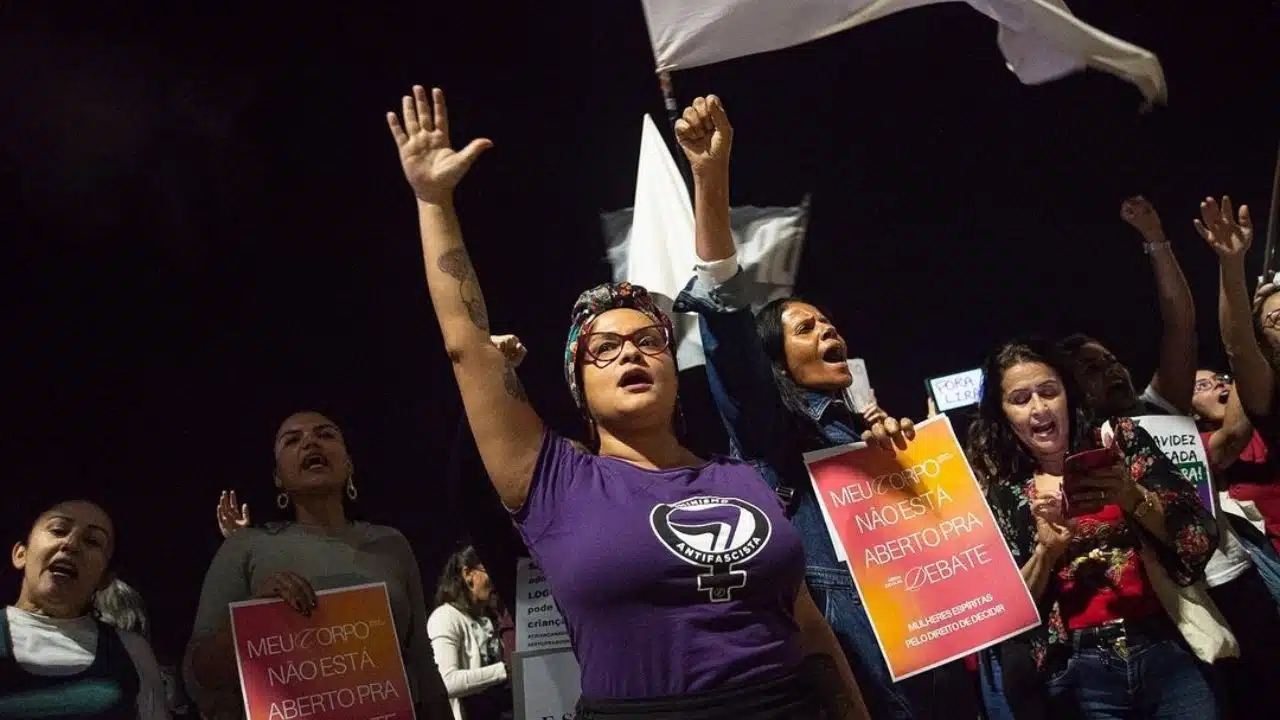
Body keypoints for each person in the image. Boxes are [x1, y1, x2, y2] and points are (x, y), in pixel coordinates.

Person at [386, 84, 866, 719]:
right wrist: (433, 202)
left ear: (673, 367)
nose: (631, 355)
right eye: (603, 350)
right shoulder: (552, 480)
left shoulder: (740, 476)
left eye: (647, 342)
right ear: (577, 386)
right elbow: (466, 346)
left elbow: (807, 628)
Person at [668, 96, 946, 720]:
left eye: (827, 322)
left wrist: (907, 460)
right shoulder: (773, 436)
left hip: (943, 661)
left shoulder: (864, 429)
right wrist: (711, 181)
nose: (826, 330)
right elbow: (729, 332)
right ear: (776, 363)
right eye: (803, 329)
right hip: (872, 686)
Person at [968, 338, 1218, 719]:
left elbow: (1198, 536)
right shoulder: (1006, 492)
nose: (1038, 408)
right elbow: (1005, 613)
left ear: (1068, 395)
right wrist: (1046, 552)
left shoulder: (1122, 441)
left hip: (1165, 647)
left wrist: (1131, 496)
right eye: (1019, 400)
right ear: (1003, 415)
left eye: (1049, 392)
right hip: (1078, 674)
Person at [182, 411, 450, 719]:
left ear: (349, 464)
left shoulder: (391, 543)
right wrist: (252, 623)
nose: (310, 442)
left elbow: (421, 661)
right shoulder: (244, 547)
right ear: (278, 477)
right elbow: (196, 675)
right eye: (292, 440)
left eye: (325, 434)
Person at [1, 499, 170, 719]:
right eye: (58, 529)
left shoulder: (132, 652)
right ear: (20, 554)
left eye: (92, 541)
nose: (71, 544)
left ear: (105, 579)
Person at [428, 546, 512, 720]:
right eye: (489, 571)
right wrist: (505, 670)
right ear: (468, 573)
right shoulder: (445, 617)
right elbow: (447, 682)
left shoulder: (490, 618)